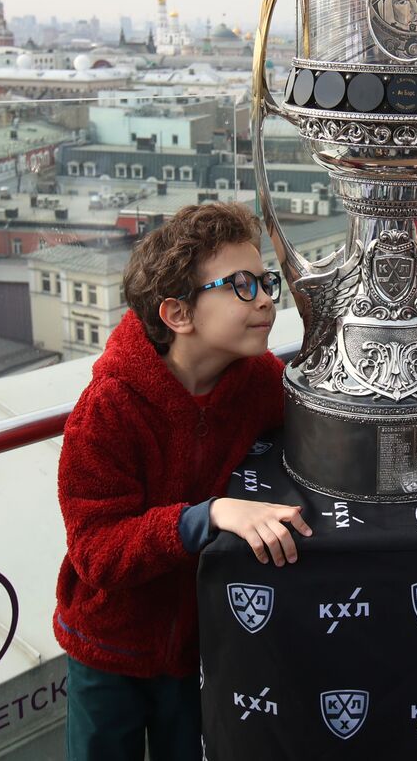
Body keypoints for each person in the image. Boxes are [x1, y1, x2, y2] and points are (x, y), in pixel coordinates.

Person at [53, 202, 313, 761]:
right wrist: (208, 514)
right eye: (241, 285)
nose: (267, 299)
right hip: (108, 647)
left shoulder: (256, 380)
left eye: (266, 281)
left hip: (201, 642)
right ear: (177, 313)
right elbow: (96, 553)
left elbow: (313, 432)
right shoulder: (108, 410)